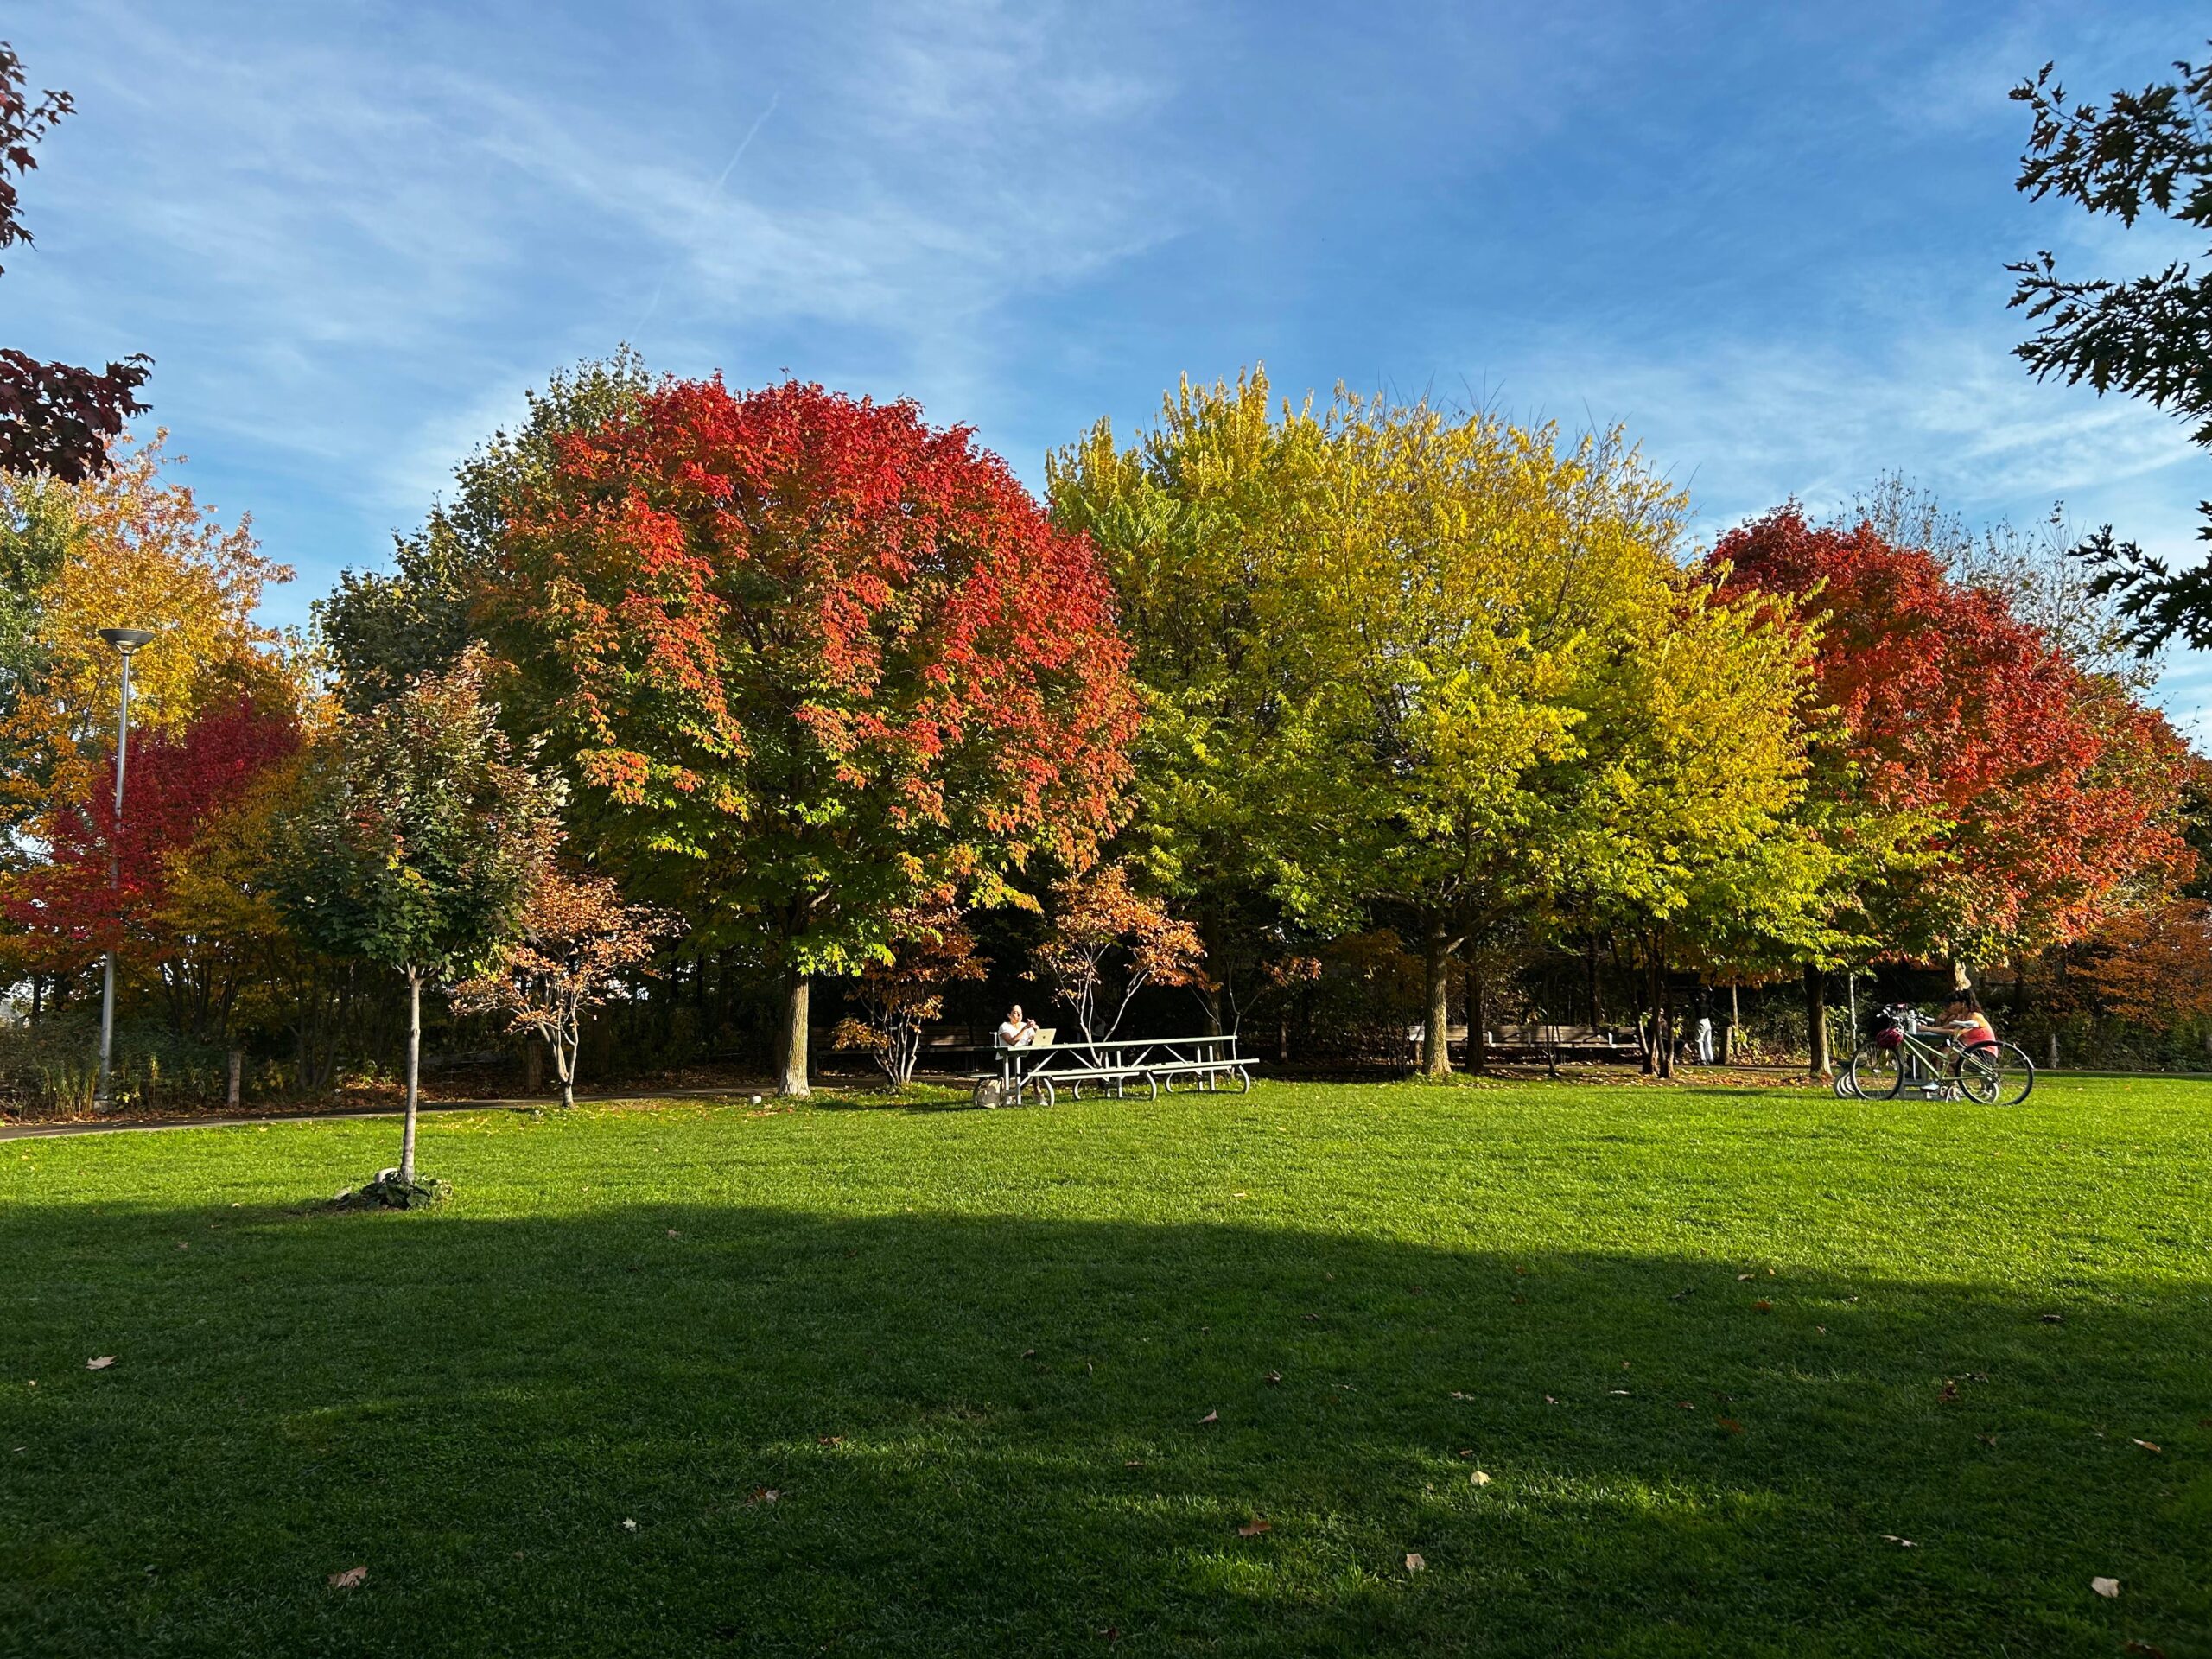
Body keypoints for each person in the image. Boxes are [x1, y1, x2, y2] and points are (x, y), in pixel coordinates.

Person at [1932, 988, 1998, 1054]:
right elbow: (1945, 1027)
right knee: (1944, 1051)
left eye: (1954, 1004)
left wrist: (1929, 1029)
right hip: (1973, 1049)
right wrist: (1930, 1028)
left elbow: (1954, 1032)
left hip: (1985, 1052)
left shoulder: (1974, 1016)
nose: (1952, 1007)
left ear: (1963, 1003)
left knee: (1949, 1054)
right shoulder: (1963, 1017)